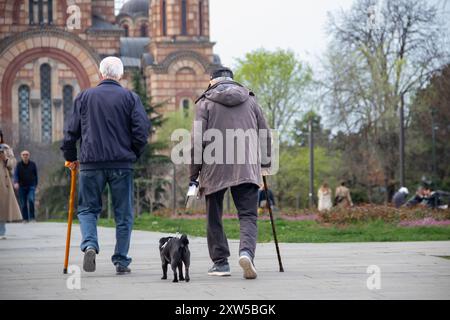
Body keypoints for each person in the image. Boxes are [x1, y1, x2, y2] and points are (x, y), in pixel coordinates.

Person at [61, 56, 151, 275]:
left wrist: (71, 156)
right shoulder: (130, 98)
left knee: (87, 209)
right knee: (124, 214)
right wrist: (133, 154)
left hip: (91, 164)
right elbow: (141, 132)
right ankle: (121, 260)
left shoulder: (84, 97)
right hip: (122, 164)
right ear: (120, 75)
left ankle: (90, 244)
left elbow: (70, 132)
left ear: (101, 74)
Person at [190, 67, 271, 279]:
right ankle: (246, 253)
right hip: (246, 165)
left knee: (214, 214)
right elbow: (264, 134)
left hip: (214, 166)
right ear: (233, 81)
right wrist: (265, 164)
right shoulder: (250, 100)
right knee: (248, 215)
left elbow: (197, 142)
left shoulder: (205, 102)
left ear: (211, 82)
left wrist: (193, 174)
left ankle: (220, 263)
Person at [0, 130, 22, 239]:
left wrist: (5, 159)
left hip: (3, 182)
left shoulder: (6, 148)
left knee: (2, 207)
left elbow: (13, 163)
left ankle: (1, 232)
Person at [13, 150, 38, 222]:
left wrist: (36, 185)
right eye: (23, 155)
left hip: (31, 186)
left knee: (31, 200)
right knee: (23, 203)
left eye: (26, 155)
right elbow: (16, 175)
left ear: (29, 156)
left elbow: (36, 175)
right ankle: (25, 219)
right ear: (21, 156)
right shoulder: (18, 165)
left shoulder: (33, 164)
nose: (25, 156)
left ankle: (32, 218)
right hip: (21, 186)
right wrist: (16, 182)